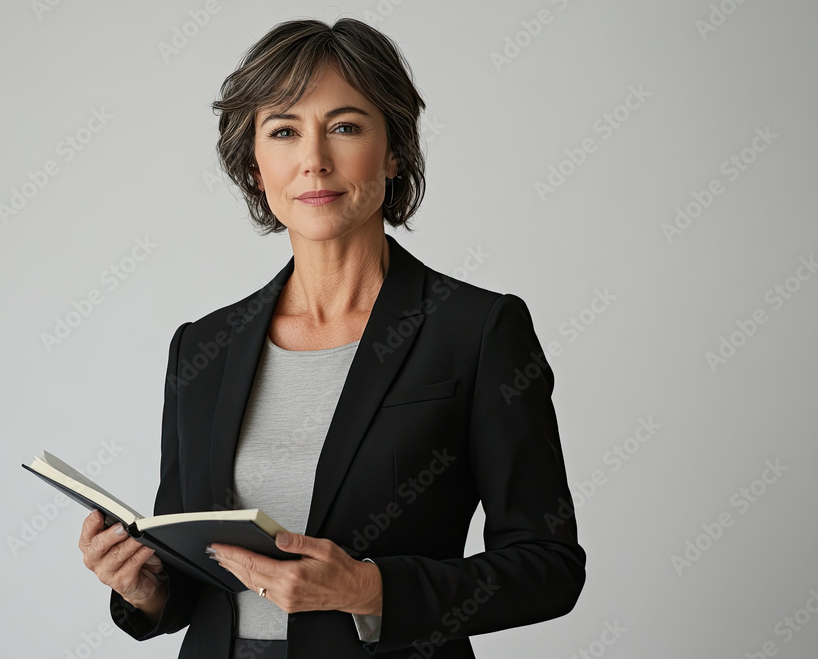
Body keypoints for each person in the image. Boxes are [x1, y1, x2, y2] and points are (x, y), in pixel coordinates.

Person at [78, 17, 585, 659]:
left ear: (395, 151)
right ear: (255, 165)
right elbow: (192, 578)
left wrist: (371, 589)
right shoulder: (202, 349)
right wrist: (144, 588)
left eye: (345, 127)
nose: (314, 159)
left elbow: (549, 567)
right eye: (284, 131)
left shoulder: (479, 330)